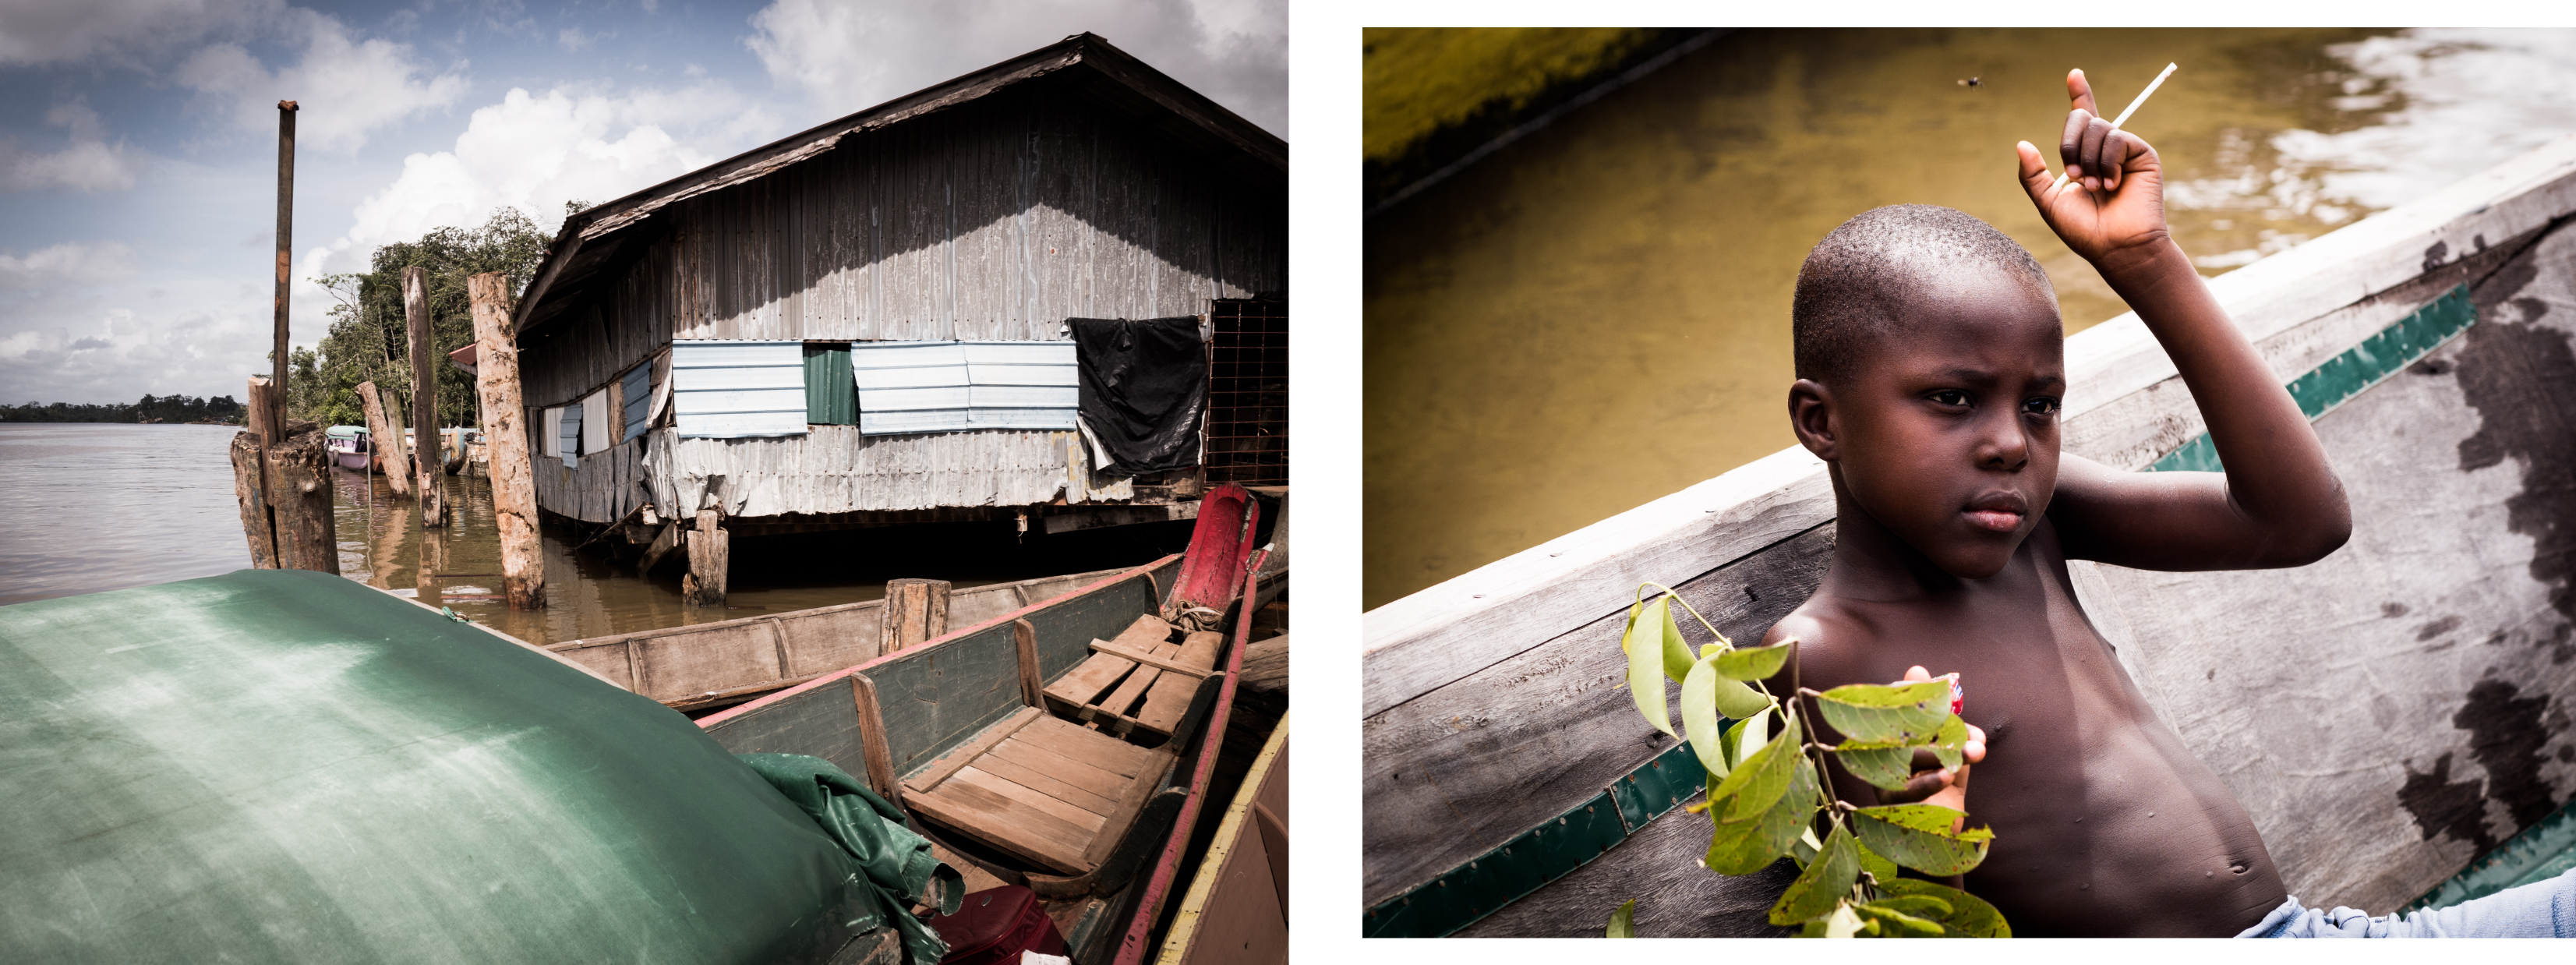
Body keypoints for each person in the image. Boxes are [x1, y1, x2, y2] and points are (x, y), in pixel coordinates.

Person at [1758, 68, 2575, 938]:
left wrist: (2142, 261)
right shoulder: (1817, 654)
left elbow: (2299, 520)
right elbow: (1872, 923)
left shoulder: (2034, 519)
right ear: (1820, 419)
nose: (2009, 441)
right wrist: (1932, 828)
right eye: (1951, 399)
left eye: (2039, 404)